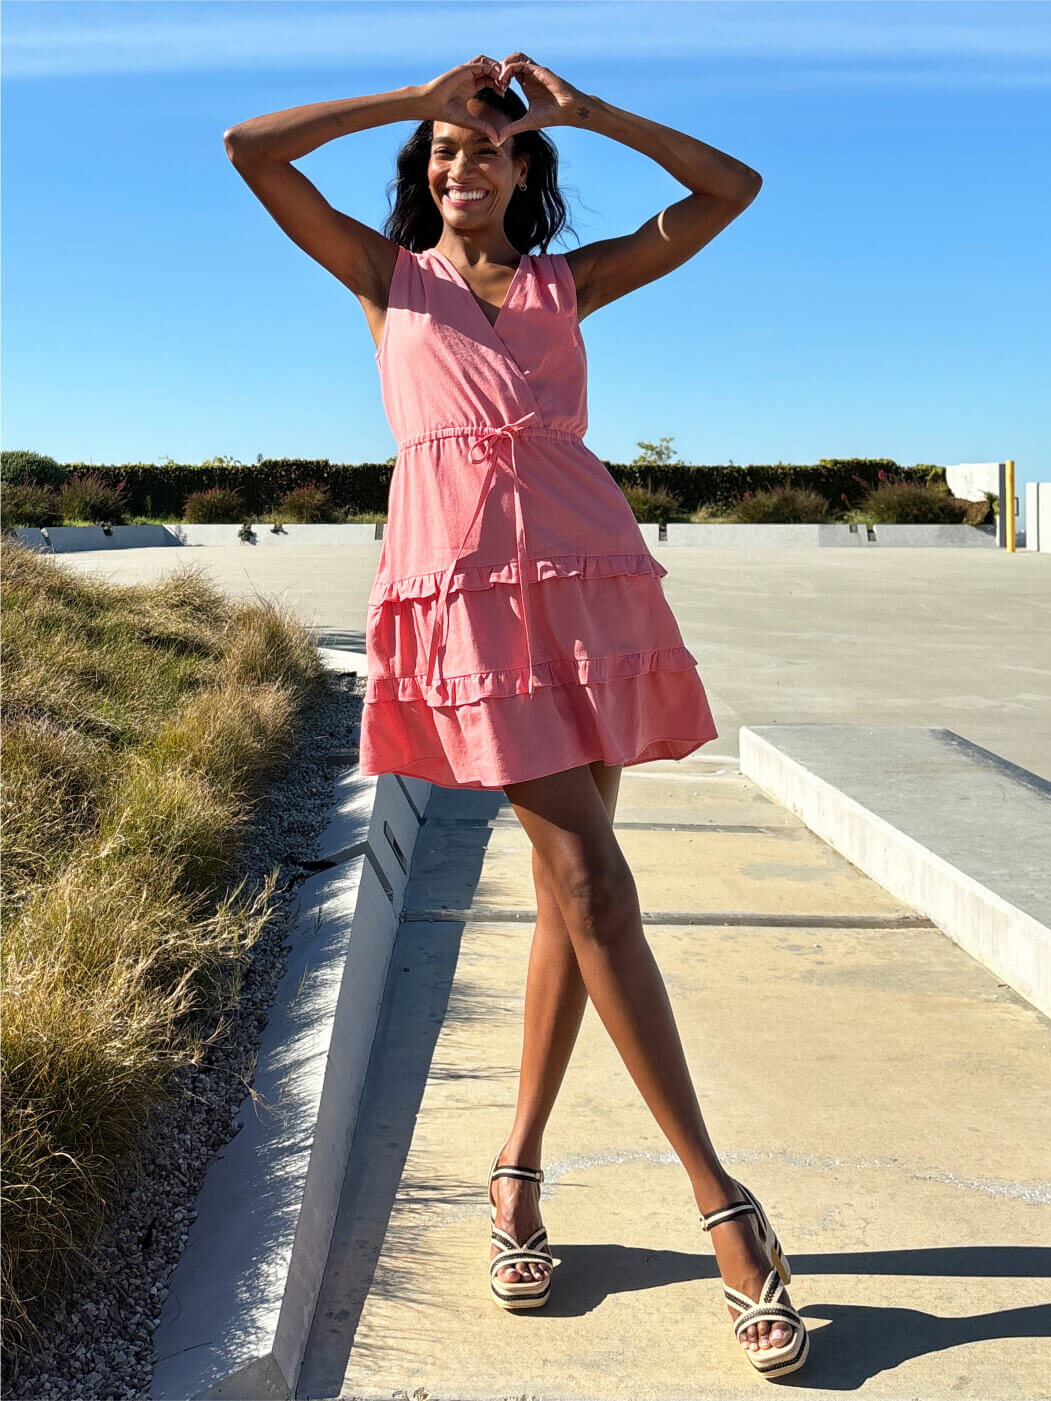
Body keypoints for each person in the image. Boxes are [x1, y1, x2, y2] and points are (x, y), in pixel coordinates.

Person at [223, 54, 807, 1380]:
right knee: (594, 876)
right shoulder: (387, 278)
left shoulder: (569, 281)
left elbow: (734, 187)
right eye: (443, 152)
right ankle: (726, 1205)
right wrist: (407, 97)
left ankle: (516, 1169)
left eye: (488, 152)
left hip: (588, 586)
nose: (460, 169)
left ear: (527, 171)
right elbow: (250, 147)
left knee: (567, 897)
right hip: (469, 611)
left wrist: (595, 114)